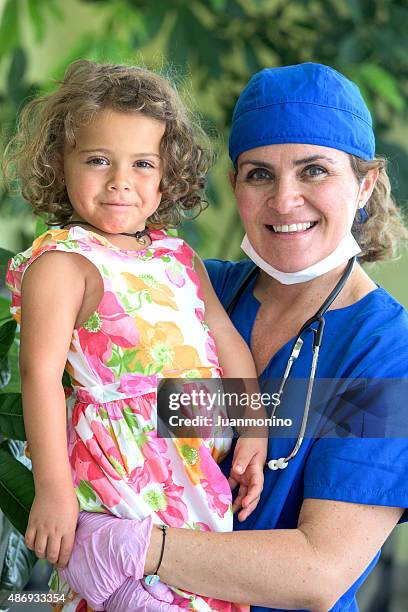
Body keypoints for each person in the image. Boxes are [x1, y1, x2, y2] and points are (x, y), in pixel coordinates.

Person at [53, 62, 408, 612]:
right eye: (260, 174)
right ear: (235, 186)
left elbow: (320, 570)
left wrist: (137, 547)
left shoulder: (385, 351)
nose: (285, 200)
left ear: (365, 184)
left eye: (314, 171)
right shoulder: (183, 292)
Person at [5, 59, 269, 611]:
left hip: (196, 470)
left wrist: (253, 427)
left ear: (167, 172)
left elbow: (222, 336)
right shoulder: (62, 265)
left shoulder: (177, 254)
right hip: (121, 472)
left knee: (205, 592)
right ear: (60, 163)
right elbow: (42, 378)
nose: (121, 181)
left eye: (143, 163)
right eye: (98, 160)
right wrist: (52, 489)